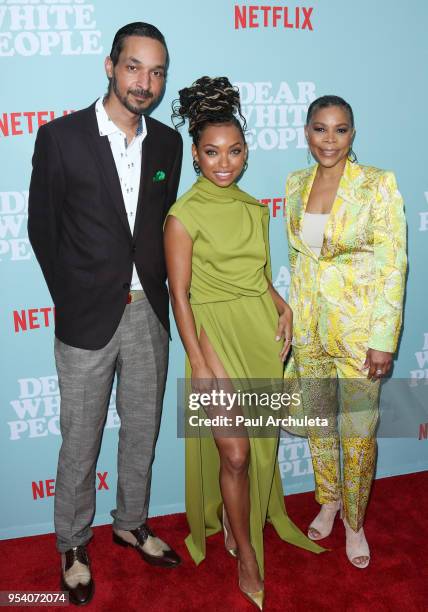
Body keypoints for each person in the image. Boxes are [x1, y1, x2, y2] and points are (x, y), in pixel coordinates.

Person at [28, 22, 183, 605]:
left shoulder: (169, 143)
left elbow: (160, 226)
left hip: (150, 313)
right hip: (87, 316)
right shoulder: (61, 137)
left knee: (141, 431)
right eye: (135, 67)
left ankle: (130, 522)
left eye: (157, 71)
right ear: (110, 66)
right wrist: (70, 295)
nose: (145, 81)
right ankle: (72, 541)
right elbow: (42, 228)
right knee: (80, 440)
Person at [164, 76, 324, 610]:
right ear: (196, 154)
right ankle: (247, 555)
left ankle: (239, 527)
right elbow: (179, 296)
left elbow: (257, 276)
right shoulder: (183, 215)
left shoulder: (257, 209)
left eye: (234, 151)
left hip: (257, 331)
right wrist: (198, 361)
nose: (224, 162)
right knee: (233, 452)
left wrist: (283, 307)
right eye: (212, 152)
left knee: (257, 448)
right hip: (211, 337)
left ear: (246, 152)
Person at [285, 95, 407, 568]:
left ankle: (355, 521)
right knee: (319, 424)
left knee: (357, 432)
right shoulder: (296, 183)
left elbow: (394, 265)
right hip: (309, 328)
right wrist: (293, 320)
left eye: (340, 130)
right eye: (320, 129)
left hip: (359, 335)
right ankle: (329, 499)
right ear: (307, 132)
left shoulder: (377, 184)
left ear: (353, 134)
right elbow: (298, 259)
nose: (329, 140)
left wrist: (383, 338)